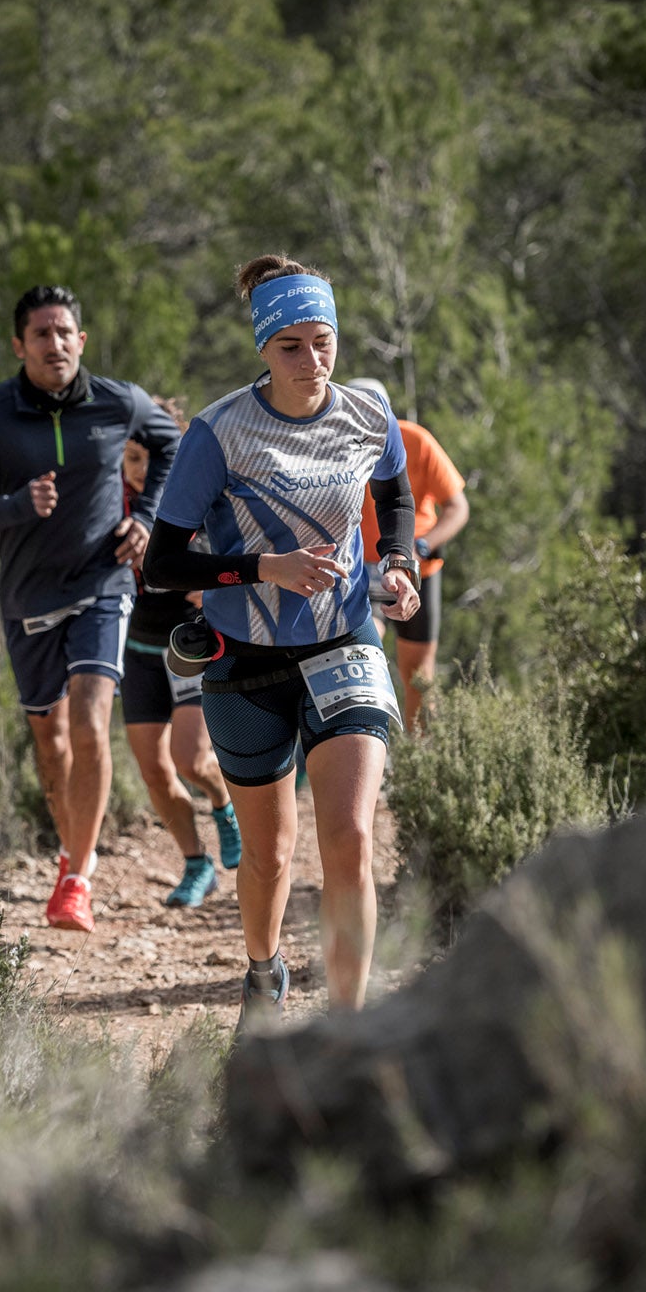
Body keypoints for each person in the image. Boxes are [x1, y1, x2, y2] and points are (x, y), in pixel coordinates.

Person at [145, 254, 421, 1027]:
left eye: (323, 340)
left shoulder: (366, 413)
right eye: (292, 345)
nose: (313, 360)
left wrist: (397, 564)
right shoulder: (221, 432)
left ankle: (347, 1030)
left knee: (352, 836)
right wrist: (261, 567)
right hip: (246, 661)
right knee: (268, 854)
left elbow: (394, 491)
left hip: (346, 642)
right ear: (263, 348)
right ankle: (263, 971)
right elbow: (165, 564)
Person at [0, 284, 182, 932]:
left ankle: (77, 877)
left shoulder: (118, 401)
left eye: (65, 331)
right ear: (20, 345)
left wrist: (150, 519)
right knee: (51, 744)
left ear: (82, 340)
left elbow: (173, 446)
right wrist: (16, 506)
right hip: (27, 601)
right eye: (41, 334)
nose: (55, 344)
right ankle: (71, 852)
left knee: (90, 720)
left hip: (102, 584)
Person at [120, 422, 242, 908]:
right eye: (132, 458)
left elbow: (234, 553)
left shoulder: (196, 498)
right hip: (136, 649)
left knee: (189, 759)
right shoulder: (113, 508)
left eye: (151, 458)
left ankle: (224, 804)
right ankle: (196, 866)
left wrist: (210, 583)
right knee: (154, 771)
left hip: (188, 643)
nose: (142, 468)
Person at [359, 419, 468, 730]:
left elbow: (457, 506)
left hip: (415, 569)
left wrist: (421, 545)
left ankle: (421, 766)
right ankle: (362, 747)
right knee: (361, 655)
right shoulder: (337, 440)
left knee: (419, 675)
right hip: (362, 569)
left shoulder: (416, 440)